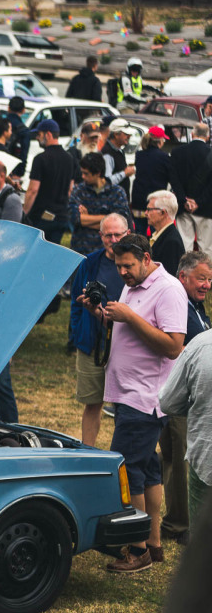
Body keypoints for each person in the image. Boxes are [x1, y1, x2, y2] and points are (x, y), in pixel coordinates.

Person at [79, 233, 187, 572]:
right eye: (118, 266)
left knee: (127, 471)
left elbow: (173, 346)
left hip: (146, 398)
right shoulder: (134, 285)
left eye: (128, 265)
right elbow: (125, 329)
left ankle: (136, 548)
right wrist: (102, 313)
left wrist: (130, 317)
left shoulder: (168, 289)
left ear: (145, 257)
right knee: (148, 472)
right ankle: (153, 545)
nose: (122, 272)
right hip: (128, 395)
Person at [157, 251, 212, 546]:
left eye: (210, 280)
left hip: (190, 397)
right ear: (183, 276)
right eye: (202, 278)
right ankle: (179, 523)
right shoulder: (179, 305)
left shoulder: (196, 308)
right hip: (179, 393)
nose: (207, 285)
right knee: (178, 458)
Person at [70, 213, 130, 446]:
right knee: (92, 403)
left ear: (128, 233)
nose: (113, 240)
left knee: (124, 408)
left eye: (118, 234)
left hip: (125, 345)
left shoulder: (135, 265)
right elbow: (76, 302)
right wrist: (77, 332)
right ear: (100, 235)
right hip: (91, 344)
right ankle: (88, 453)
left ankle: (122, 455)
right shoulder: (89, 263)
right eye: (108, 235)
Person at [68, 152, 130, 255]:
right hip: (81, 251)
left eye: (86, 173)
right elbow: (74, 218)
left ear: (98, 173)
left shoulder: (117, 192)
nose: (82, 176)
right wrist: (108, 220)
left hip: (108, 253)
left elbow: (120, 223)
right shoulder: (79, 190)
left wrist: (87, 217)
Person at [22, 118, 73, 245]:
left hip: (41, 217)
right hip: (62, 216)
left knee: (36, 253)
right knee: (52, 254)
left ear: (48, 134)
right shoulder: (70, 159)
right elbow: (70, 190)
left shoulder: (40, 159)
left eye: (39, 135)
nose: (37, 138)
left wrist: (24, 214)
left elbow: (33, 190)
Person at [169, 122, 212, 251]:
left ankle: (185, 271)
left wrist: (184, 199)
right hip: (206, 208)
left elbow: (173, 179)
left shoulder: (177, 152)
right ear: (208, 136)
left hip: (184, 206)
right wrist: (199, 202)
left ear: (192, 134)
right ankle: (206, 272)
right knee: (207, 248)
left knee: (185, 246)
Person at [146, 190, 185, 278]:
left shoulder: (171, 242)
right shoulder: (162, 234)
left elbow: (168, 278)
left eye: (149, 209)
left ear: (163, 213)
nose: (146, 213)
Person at [102, 117, 136, 193]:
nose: (129, 136)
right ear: (116, 134)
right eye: (126, 134)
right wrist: (125, 173)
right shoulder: (107, 153)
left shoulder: (119, 150)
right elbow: (107, 181)